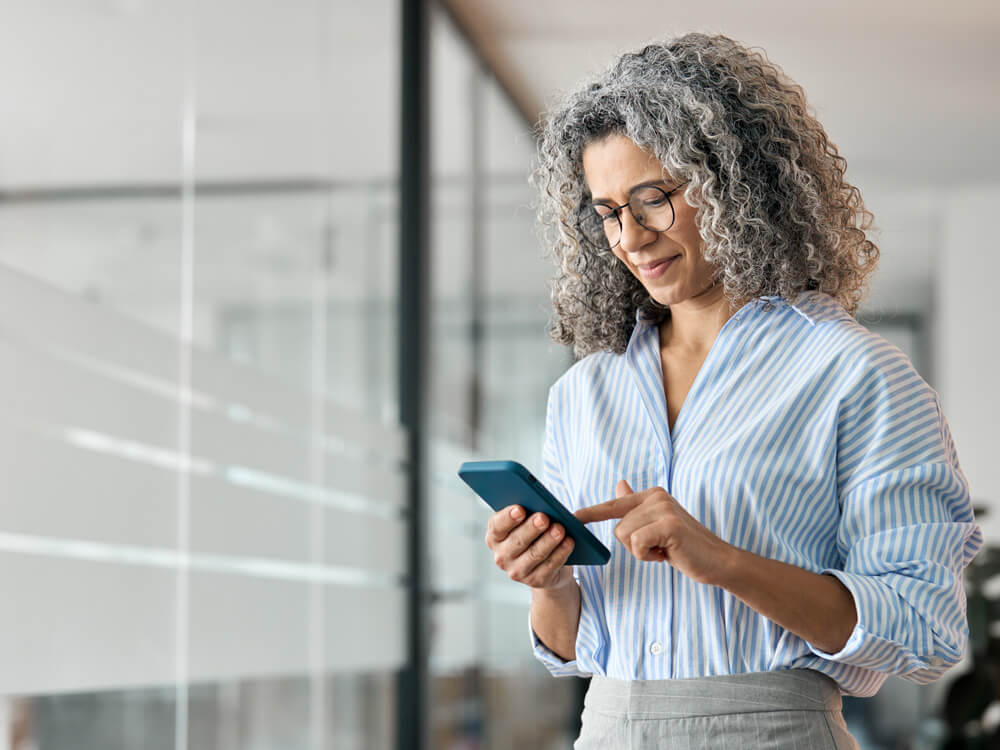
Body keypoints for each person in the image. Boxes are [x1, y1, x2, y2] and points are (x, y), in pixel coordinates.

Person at [482, 33, 983, 748]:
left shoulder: (854, 373)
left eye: (654, 198)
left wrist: (723, 561)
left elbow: (923, 630)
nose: (630, 236)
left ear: (737, 185)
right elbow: (574, 652)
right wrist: (548, 582)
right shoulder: (584, 393)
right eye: (608, 213)